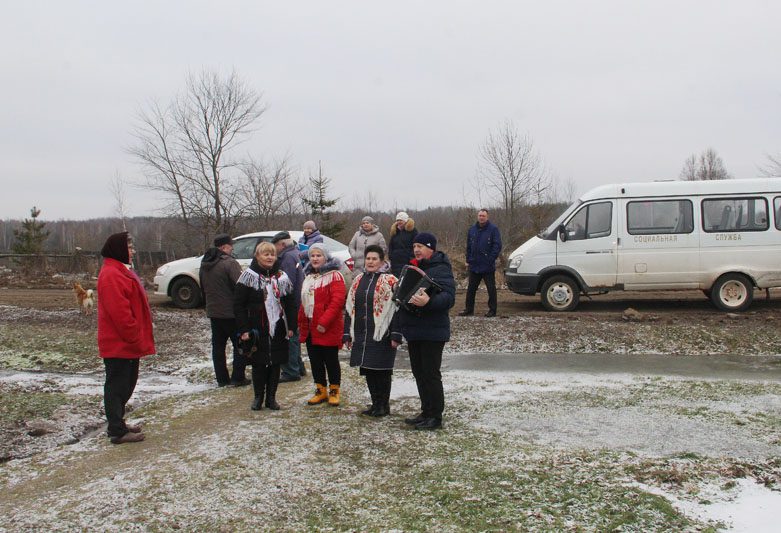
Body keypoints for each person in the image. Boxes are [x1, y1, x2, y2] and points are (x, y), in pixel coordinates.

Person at [97, 232, 155, 444]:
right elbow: (120, 313)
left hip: (127, 342)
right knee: (117, 387)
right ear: (119, 250)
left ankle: (118, 423)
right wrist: (134, 335)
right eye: (129, 248)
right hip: (119, 343)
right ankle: (116, 431)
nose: (133, 252)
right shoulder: (111, 275)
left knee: (126, 385)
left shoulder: (120, 270)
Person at [398, 232, 455, 430]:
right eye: (415, 246)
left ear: (431, 248)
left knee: (430, 374)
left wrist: (429, 302)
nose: (416, 250)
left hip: (433, 330)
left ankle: (435, 416)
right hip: (415, 330)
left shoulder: (442, 268)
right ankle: (426, 411)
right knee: (419, 373)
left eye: (420, 246)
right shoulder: (414, 267)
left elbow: (449, 298)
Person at [234, 242, 296, 411]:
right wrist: (244, 329)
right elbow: (238, 305)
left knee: (275, 363)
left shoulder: (282, 277)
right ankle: (258, 397)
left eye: (272, 254)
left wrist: (292, 325)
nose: (269, 257)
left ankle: (271, 398)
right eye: (266, 254)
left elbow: (290, 303)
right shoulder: (248, 277)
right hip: (256, 327)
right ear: (257, 256)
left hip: (278, 325)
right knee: (259, 363)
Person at [343, 245, 401, 417]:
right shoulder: (358, 280)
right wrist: (347, 333)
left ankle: (383, 405)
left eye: (374, 259)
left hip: (383, 334)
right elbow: (350, 307)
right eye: (368, 258)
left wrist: (396, 334)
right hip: (362, 333)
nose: (370, 262)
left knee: (381, 370)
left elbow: (398, 309)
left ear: (382, 261)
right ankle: (375, 404)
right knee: (368, 369)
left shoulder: (391, 281)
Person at [298, 243, 346, 406]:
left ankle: (334, 391)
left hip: (328, 327)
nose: (315, 258)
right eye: (312, 256)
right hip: (310, 326)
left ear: (326, 257)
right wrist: (300, 321)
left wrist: (324, 321)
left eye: (318, 255)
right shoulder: (309, 277)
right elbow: (304, 302)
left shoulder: (334, 276)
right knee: (315, 361)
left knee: (330, 360)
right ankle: (320, 390)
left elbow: (337, 301)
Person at [199, 233, 249, 387]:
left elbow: (202, 287)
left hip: (213, 311)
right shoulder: (229, 263)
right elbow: (240, 286)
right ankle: (238, 377)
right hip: (231, 312)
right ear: (224, 247)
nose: (232, 249)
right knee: (240, 344)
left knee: (218, 347)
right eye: (230, 246)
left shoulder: (204, 263)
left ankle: (222, 378)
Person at [272, 231, 306, 382]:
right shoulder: (294, 254)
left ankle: (291, 371)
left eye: (275, 246)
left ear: (282, 244)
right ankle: (298, 367)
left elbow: (286, 283)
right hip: (296, 301)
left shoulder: (286, 258)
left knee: (290, 336)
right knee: (294, 336)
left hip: (290, 303)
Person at [459, 209, 502, 318]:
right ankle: (469, 309)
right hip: (474, 265)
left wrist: (490, 260)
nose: (481, 217)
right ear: (477, 216)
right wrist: (468, 259)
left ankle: (492, 310)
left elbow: (497, 246)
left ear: (487, 217)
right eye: (480, 215)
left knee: (491, 289)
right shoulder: (472, 229)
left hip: (487, 266)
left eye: (483, 216)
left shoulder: (493, 229)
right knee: (471, 289)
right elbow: (469, 246)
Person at [387, 211, 418, 277]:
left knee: (406, 279)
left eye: (401, 220)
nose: (399, 222)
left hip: (407, 261)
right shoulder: (395, 231)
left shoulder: (413, 231)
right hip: (395, 262)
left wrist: (411, 258)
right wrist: (391, 256)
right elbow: (391, 245)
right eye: (397, 220)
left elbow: (416, 245)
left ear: (405, 220)